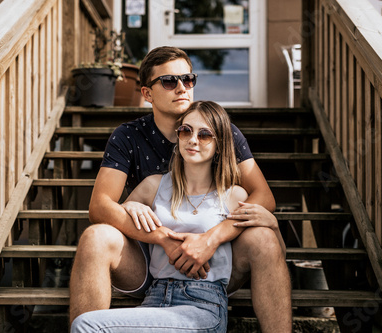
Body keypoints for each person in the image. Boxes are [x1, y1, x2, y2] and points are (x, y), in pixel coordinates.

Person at [69, 47, 292, 332]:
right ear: (147, 93)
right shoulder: (128, 137)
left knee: (263, 237)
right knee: (96, 237)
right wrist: (159, 235)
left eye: (188, 79)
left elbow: (263, 197)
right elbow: (100, 206)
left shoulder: (222, 131)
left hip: (212, 272)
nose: (182, 88)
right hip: (152, 264)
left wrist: (210, 240)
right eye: (169, 81)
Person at [72, 101, 251, 332]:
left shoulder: (235, 195)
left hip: (202, 306)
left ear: (220, 145)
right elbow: (117, 223)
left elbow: (268, 234)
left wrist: (267, 222)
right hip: (154, 298)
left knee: (86, 325)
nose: (193, 139)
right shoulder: (153, 186)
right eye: (186, 131)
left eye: (205, 135)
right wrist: (130, 207)